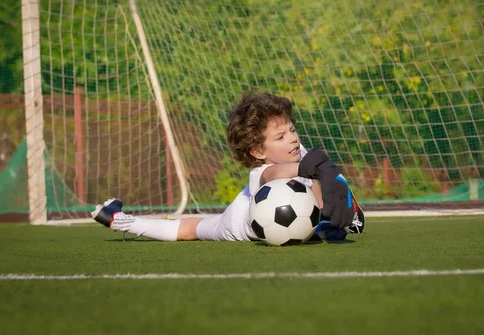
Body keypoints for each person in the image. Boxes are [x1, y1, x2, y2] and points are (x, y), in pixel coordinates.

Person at [92, 92, 364, 242]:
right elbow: (285, 173)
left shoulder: (298, 150)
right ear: (258, 151)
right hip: (237, 222)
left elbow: (318, 177)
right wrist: (318, 169)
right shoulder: (263, 173)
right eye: (280, 137)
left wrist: (337, 194)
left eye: (292, 130)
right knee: (189, 230)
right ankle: (119, 220)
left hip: (288, 215)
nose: (292, 138)